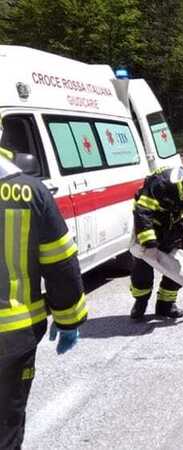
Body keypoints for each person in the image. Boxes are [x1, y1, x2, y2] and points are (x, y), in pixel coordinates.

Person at [0, 147, 87, 449]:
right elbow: (60, 263)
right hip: (11, 338)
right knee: (4, 425)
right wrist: (68, 319)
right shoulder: (29, 192)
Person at [130, 166, 183, 320]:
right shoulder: (161, 183)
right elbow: (142, 212)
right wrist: (149, 243)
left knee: (177, 268)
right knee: (142, 269)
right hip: (149, 224)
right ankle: (140, 302)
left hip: (173, 225)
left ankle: (166, 304)